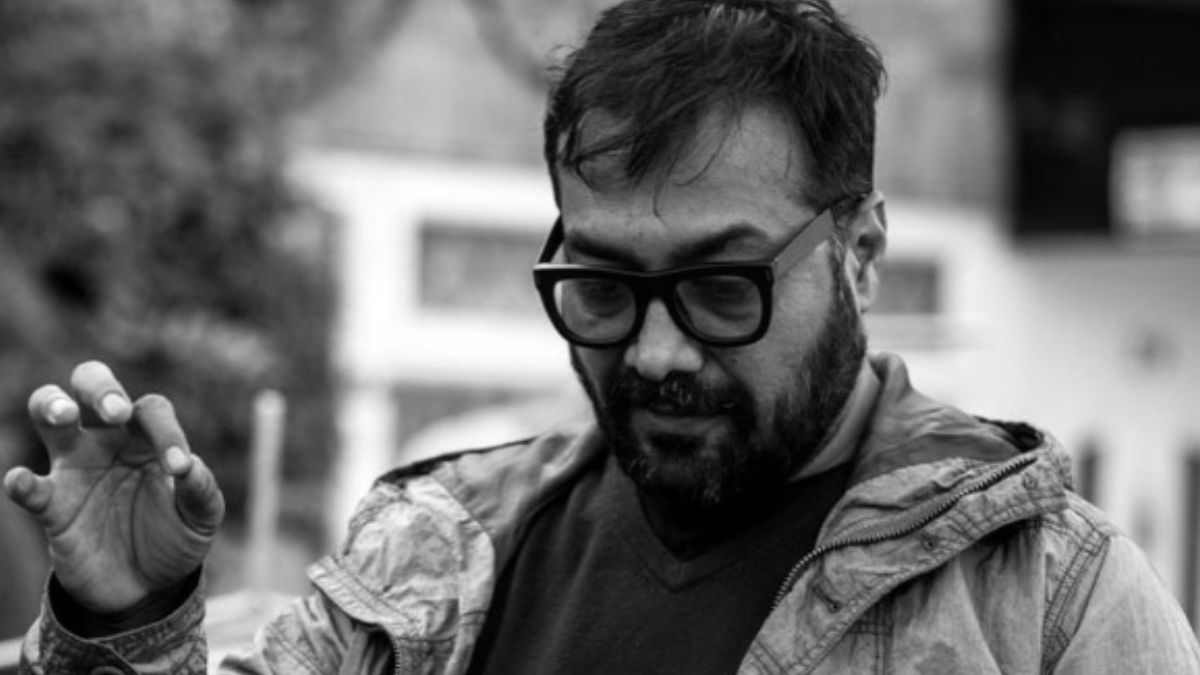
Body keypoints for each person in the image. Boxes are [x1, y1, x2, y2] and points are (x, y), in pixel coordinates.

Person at [5, 0, 1200, 672]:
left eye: (721, 287)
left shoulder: (1048, 597)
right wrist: (122, 620)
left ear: (861, 252)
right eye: (606, 285)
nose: (658, 354)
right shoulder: (430, 555)